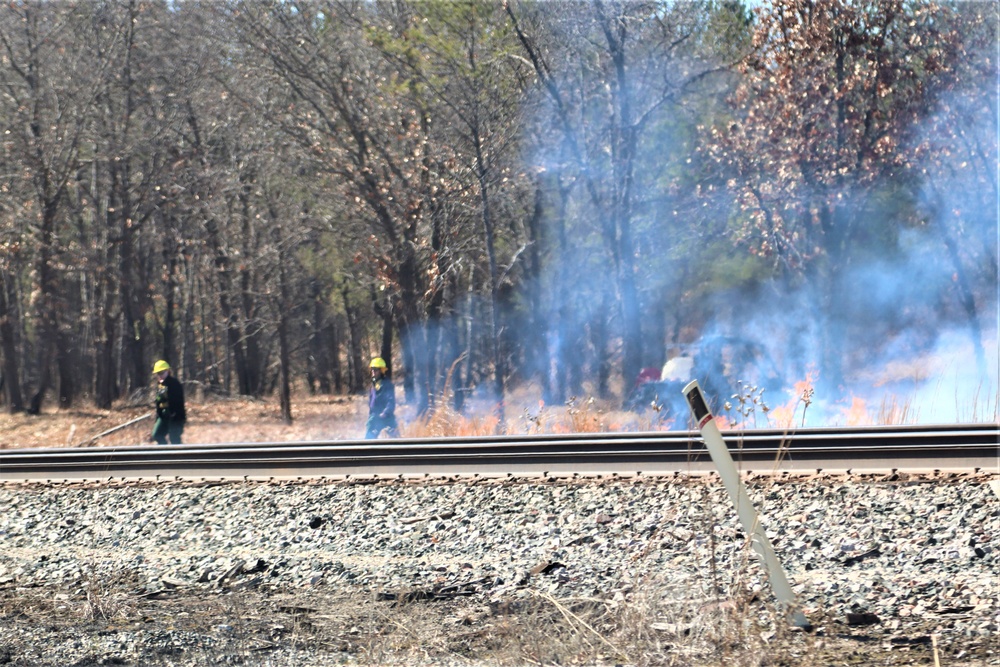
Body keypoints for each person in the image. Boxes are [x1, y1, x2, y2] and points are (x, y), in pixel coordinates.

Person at [151, 360, 186, 444]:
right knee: (157, 434)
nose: (160, 375)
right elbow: (158, 402)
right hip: (163, 416)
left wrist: (174, 413)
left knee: (174, 438)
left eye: (162, 373)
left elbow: (179, 401)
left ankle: (180, 456)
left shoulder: (174, 384)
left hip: (176, 416)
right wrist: (158, 416)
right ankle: (164, 454)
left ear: (168, 371)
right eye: (158, 373)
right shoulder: (160, 385)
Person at [365, 357, 399, 439]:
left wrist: (385, 413)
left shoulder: (387, 385)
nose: (373, 372)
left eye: (375, 369)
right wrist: (371, 414)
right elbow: (372, 400)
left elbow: (391, 402)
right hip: (375, 417)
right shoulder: (374, 383)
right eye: (372, 369)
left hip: (386, 418)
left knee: (395, 441)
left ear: (381, 371)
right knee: (368, 441)